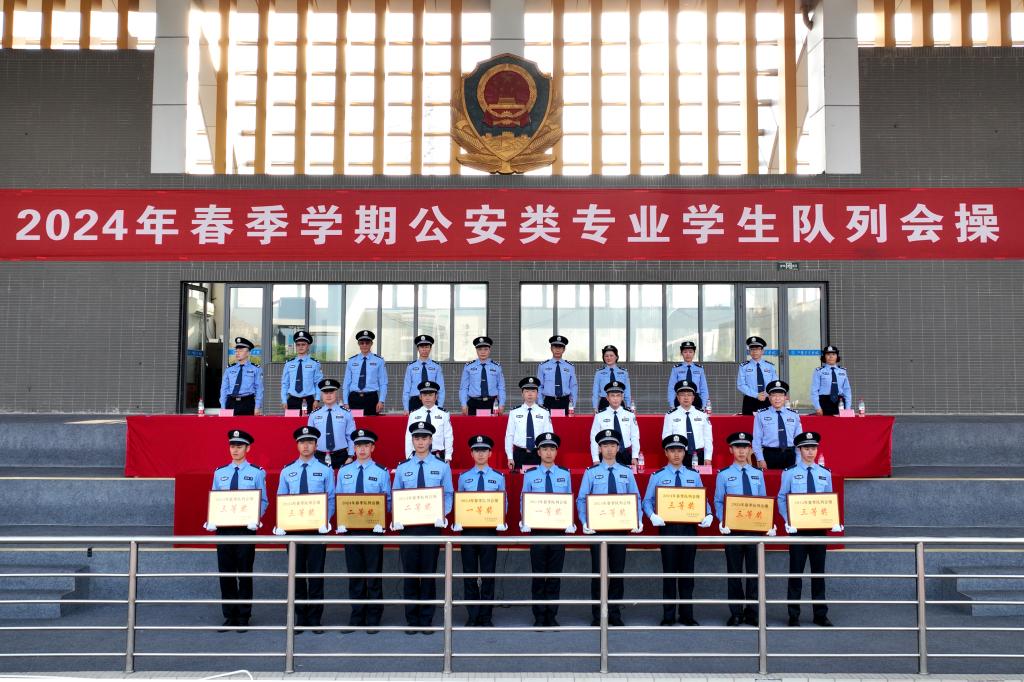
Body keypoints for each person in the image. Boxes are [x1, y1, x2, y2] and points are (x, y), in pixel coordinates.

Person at [642, 434, 714, 626]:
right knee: (669, 573)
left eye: (680, 450)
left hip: (689, 529)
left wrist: (708, 514)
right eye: (672, 450)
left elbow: (703, 500)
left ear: (685, 453)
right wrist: (652, 515)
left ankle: (687, 614)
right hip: (667, 529)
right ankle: (668, 615)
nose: (676, 454)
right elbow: (647, 501)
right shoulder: (657, 476)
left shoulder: (694, 475)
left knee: (687, 573)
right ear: (666, 453)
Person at [391, 421, 454, 634]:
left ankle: (426, 619)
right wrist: (397, 517)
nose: (420, 442)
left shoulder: (442, 467)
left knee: (428, 574)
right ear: (412, 440)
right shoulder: (403, 468)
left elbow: (448, 494)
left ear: (431, 440)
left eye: (424, 438)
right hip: (408, 528)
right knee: (410, 574)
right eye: (417, 438)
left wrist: (443, 514)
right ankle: (412, 620)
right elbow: (396, 495)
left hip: (431, 527)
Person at [203, 429, 268, 632]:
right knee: (226, 573)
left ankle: (244, 615)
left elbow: (263, 501)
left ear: (248, 448)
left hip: (245, 530)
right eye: (232, 446)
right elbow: (215, 498)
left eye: (239, 446)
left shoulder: (257, 472)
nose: (235, 450)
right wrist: (212, 519)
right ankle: (229, 615)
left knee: (245, 573)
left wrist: (256, 518)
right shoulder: (220, 472)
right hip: (224, 530)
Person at [272, 426, 335, 634]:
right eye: (302, 442)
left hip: (317, 530)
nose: (305, 446)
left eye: (309, 442)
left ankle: (315, 618)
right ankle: (299, 617)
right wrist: (281, 523)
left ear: (316, 445)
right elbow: (281, 498)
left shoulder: (325, 470)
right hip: (294, 530)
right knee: (296, 574)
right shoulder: (287, 470)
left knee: (316, 574)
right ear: (297, 445)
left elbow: (331, 498)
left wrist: (326, 520)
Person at [578, 429, 643, 626]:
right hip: (597, 530)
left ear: (618, 448)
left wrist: (638, 519)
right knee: (598, 573)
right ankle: (598, 615)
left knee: (616, 573)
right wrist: (584, 521)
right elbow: (582, 500)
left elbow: (636, 498)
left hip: (620, 530)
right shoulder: (591, 473)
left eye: (612, 445)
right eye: (605, 445)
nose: (609, 449)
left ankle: (614, 613)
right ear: (599, 448)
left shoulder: (626, 472)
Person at [779, 431, 842, 627]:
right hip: (798, 530)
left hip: (818, 530)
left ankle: (820, 614)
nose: (810, 452)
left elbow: (829, 500)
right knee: (795, 573)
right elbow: (781, 498)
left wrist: (833, 520)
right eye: (806, 448)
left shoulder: (825, 473)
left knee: (818, 573)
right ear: (799, 450)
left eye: (813, 448)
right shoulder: (789, 473)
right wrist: (787, 519)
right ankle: (793, 615)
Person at [715, 431, 775, 627]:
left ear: (750, 450)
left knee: (754, 573)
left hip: (754, 531)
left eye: (745, 447)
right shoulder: (723, 475)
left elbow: (764, 501)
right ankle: (736, 613)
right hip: (733, 531)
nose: (741, 451)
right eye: (737, 447)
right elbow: (718, 501)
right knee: (734, 573)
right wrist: (722, 521)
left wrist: (768, 523)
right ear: (731, 450)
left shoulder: (758, 474)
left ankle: (753, 612)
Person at [335, 428, 390, 633]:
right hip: (351, 530)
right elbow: (338, 498)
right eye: (358, 445)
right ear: (354, 448)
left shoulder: (381, 472)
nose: (362, 449)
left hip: (373, 530)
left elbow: (388, 501)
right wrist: (341, 520)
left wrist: (381, 517)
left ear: (372, 448)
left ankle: (374, 616)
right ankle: (357, 615)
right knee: (355, 574)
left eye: (366, 445)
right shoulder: (344, 472)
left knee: (373, 575)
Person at [519, 432, 576, 628]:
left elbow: (569, 498)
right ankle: (539, 615)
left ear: (556, 452)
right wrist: (525, 520)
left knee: (554, 575)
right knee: (538, 575)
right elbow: (523, 499)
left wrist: (569, 521)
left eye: (552, 448)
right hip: (537, 531)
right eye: (545, 449)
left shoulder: (565, 474)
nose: (548, 452)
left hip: (558, 532)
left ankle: (552, 615)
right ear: (539, 452)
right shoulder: (530, 475)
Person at [452, 435, 508, 627]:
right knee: (469, 575)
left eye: (484, 450)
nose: (480, 454)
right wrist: (458, 520)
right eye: (477, 450)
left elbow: (504, 502)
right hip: (468, 532)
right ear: (471, 453)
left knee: (488, 575)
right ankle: (472, 614)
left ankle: (486, 616)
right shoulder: (464, 477)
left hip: (489, 532)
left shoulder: (498, 477)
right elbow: (459, 502)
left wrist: (501, 519)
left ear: (490, 453)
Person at [504, 376, 554, 470]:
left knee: (539, 479)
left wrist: (547, 456)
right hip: (519, 454)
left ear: (537, 394)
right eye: (527, 391)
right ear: (522, 394)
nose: (530, 394)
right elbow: (509, 435)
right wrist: (510, 457)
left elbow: (548, 436)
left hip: (538, 454)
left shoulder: (544, 412)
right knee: (519, 479)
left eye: (533, 391)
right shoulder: (514, 412)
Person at [662, 379, 714, 469]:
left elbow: (708, 438)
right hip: (679, 455)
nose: (686, 398)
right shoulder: (670, 415)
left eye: (689, 395)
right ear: (678, 397)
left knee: (699, 478)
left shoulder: (702, 414)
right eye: (682, 395)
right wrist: (671, 457)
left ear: (693, 397)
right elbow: (666, 438)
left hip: (699, 455)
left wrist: (708, 457)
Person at [753, 380, 803, 470]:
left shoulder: (794, 415)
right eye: (774, 395)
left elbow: (799, 440)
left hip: (790, 455)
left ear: (785, 397)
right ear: (769, 398)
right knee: (770, 479)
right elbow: (757, 439)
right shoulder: (761, 415)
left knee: (791, 479)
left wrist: (798, 459)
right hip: (770, 455)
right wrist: (760, 459)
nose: (777, 398)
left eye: (780, 395)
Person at [307, 378, 356, 470]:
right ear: (321, 395)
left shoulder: (346, 413)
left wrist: (350, 456)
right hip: (319, 457)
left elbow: (351, 437)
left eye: (331, 392)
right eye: (325, 393)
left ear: (336, 393)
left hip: (342, 457)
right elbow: (310, 439)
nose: (328, 395)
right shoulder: (314, 415)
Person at [589, 381, 640, 466]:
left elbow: (635, 436)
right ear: (607, 398)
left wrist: (635, 456)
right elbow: (594, 438)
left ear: (622, 397)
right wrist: (595, 459)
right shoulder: (599, 416)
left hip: (626, 455)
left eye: (618, 395)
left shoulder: (630, 415)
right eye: (612, 395)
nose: (615, 399)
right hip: (606, 455)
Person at [405, 380, 454, 461]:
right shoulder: (413, 414)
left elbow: (448, 436)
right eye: (424, 395)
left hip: (438, 455)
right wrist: (409, 457)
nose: (427, 398)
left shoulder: (444, 414)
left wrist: (448, 456)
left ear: (436, 396)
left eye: (430, 395)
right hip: (418, 455)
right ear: (420, 397)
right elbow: (409, 436)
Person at [343, 329, 387, 415]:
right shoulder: (351, 361)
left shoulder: (379, 361)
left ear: (371, 344)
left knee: (371, 423)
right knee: (355, 422)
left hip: (371, 399)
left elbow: (383, 383)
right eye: (362, 343)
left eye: (367, 343)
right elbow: (346, 383)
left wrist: (381, 401)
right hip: (354, 398)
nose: (364, 345)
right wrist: (345, 402)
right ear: (358, 344)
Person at [459, 336, 506, 415]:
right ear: (476, 350)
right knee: (473, 424)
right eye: (480, 349)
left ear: (489, 350)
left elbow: (501, 387)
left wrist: (502, 404)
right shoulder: (469, 367)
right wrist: (463, 404)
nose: (483, 352)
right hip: (473, 403)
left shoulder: (496, 367)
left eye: (485, 349)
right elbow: (464, 387)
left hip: (492, 404)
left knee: (492, 424)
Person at [280, 330, 323, 413]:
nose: (301, 347)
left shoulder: (314, 364)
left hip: (309, 401)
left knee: (307, 421)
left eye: (303, 344)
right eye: (298, 345)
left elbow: (318, 383)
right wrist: (284, 400)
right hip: (292, 401)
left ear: (308, 346)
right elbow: (285, 383)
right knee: (291, 421)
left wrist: (317, 399)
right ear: (295, 346)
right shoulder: (289, 364)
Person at [402, 334, 446, 413]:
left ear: (430, 348)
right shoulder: (411, 367)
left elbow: (441, 388)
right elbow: (406, 388)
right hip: (415, 401)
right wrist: (406, 407)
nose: (424, 349)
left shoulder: (436, 366)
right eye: (422, 347)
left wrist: (440, 406)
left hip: (431, 400)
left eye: (427, 347)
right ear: (418, 349)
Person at [220, 337, 264, 415]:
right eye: (236, 350)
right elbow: (224, 389)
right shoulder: (229, 369)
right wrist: (223, 406)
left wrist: (257, 407)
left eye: (241, 350)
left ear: (248, 353)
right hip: (231, 402)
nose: (237, 353)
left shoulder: (256, 369)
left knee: (248, 423)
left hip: (247, 403)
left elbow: (259, 389)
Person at [736, 336, 777, 415]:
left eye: (757, 349)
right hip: (750, 400)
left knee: (768, 421)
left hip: (767, 399)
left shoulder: (770, 366)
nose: (754, 351)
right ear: (749, 351)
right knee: (748, 422)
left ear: (762, 351)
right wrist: (756, 395)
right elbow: (741, 385)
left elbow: (774, 384)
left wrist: (765, 394)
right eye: (752, 349)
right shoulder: (744, 366)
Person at [537, 335, 578, 412]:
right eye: (555, 347)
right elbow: (539, 386)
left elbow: (573, 386)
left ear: (564, 350)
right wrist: (540, 402)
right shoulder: (543, 366)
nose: (557, 350)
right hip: (548, 402)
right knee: (548, 420)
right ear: (551, 349)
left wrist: (573, 404)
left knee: (565, 420)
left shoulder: (570, 367)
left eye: (560, 347)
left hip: (565, 402)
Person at [810, 345, 853, 416]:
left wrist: (848, 408)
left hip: (840, 402)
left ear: (837, 356)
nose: (831, 356)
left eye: (833, 354)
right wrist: (817, 407)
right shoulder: (819, 371)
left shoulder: (843, 371)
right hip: (824, 402)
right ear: (824, 357)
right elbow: (814, 391)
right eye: (828, 354)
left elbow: (847, 391)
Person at [666, 341, 709, 411]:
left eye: (690, 352)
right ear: (681, 353)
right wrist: (672, 405)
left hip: (696, 399)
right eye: (685, 352)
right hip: (680, 398)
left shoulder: (700, 369)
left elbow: (703, 388)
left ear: (694, 353)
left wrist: (704, 405)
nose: (688, 354)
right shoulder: (676, 369)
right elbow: (671, 388)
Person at [591, 345, 632, 412]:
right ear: (603, 358)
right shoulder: (599, 373)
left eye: (611, 355)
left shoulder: (624, 373)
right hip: (604, 402)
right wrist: (595, 407)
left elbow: (627, 391)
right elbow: (595, 392)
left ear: (616, 357)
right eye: (606, 356)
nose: (609, 358)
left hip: (619, 402)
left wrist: (628, 406)